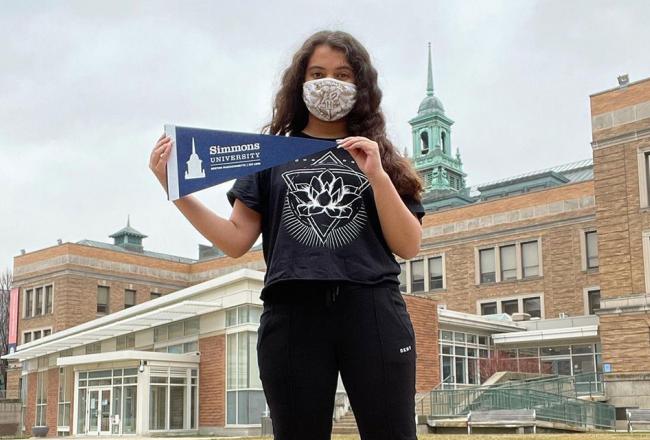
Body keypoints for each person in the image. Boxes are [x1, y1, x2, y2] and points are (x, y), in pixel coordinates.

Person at [149, 30, 424, 440]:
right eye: (318, 73)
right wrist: (176, 190)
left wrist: (378, 176)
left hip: (372, 309)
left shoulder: (382, 155)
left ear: (360, 85)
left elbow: (408, 244)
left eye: (343, 74)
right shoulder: (269, 154)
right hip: (293, 313)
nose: (329, 83)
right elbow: (236, 239)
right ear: (301, 83)